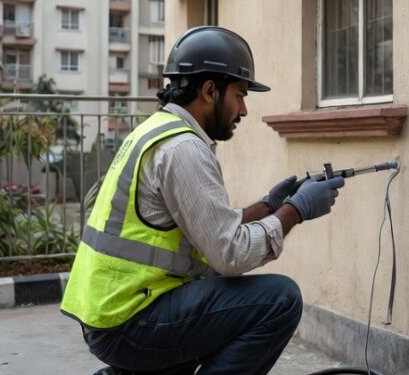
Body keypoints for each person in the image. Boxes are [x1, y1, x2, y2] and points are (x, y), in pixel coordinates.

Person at [62, 26, 344, 375]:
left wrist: (269, 205)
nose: (243, 110)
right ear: (210, 90)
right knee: (280, 300)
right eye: (240, 95)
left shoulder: (156, 131)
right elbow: (231, 255)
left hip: (112, 311)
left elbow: (207, 226)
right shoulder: (184, 150)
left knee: (211, 310)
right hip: (129, 321)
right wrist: (296, 211)